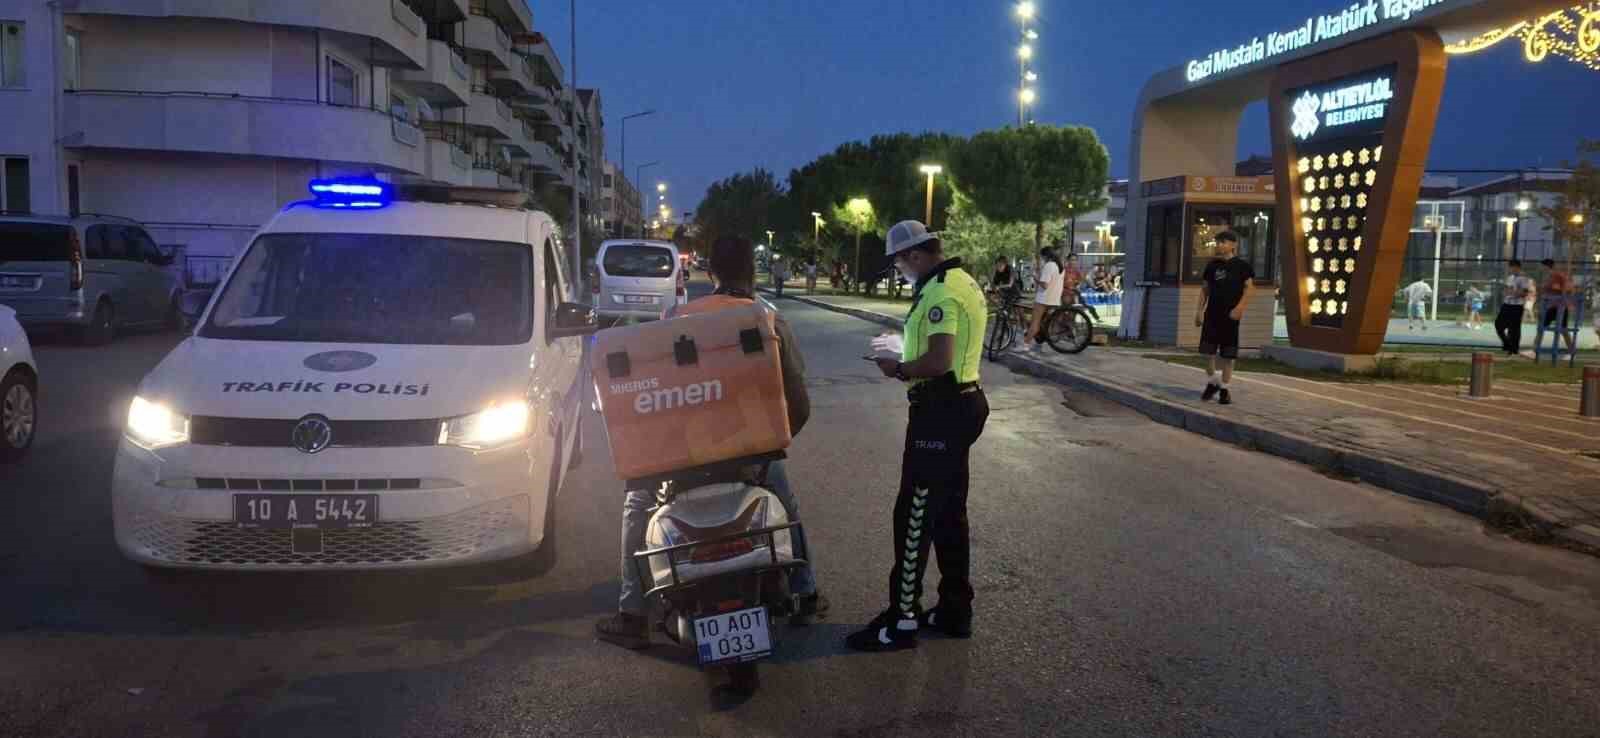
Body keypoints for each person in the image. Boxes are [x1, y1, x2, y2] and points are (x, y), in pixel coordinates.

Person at [595, 236, 828, 649]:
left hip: (683, 457)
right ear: (751, 274)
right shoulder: (770, 319)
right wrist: (771, 440)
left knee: (636, 507)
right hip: (752, 453)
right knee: (787, 507)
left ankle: (632, 612)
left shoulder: (677, 316)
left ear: (712, 273)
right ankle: (806, 593)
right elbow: (799, 402)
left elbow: (660, 398)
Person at [851, 220, 989, 652]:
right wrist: (906, 346)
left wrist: (899, 367)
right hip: (962, 405)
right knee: (949, 513)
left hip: (941, 411)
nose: (898, 270)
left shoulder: (939, 291)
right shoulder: (961, 280)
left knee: (913, 514)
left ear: (914, 255)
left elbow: (941, 359)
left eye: (898, 262)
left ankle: (902, 619)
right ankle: (954, 609)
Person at [1195, 231, 1254, 406]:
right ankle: (1213, 382)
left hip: (1231, 316)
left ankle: (1225, 390)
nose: (1219, 245)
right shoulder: (1212, 266)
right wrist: (1199, 310)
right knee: (1208, 353)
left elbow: (1250, 289)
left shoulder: (1242, 266)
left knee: (1228, 355)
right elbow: (1205, 289)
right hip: (1212, 315)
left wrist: (1240, 307)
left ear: (1233, 245)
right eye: (1217, 242)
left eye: (1223, 242)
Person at [1023, 246, 1064, 351]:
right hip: (1054, 299)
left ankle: (1025, 345)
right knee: (1043, 324)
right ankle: (1038, 345)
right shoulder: (1060, 266)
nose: (1041, 259)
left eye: (1042, 257)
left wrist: (1034, 277)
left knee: (1034, 323)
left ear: (1046, 256)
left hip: (1043, 299)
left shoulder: (1049, 265)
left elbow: (1045, 285)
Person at [1495, 259, 1536, 357]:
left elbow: (1524, 293)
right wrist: (1510, 292)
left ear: (1517, 267)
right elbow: (1506, 290)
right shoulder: (1510, 278)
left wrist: (1513, 293)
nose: (1510, 269)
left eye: (1511, 267)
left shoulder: (1524, 278)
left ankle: (1513, 350)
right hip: (1507, 304)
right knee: (1498, 324)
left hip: (1517, 306)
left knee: (1514, 329)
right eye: (1510, 267)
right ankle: (1507, 344)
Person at [1539, 258, 1577, 353]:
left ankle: (1572, 350)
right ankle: (1534, 349)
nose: (1541, 268)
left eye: (1542, 266)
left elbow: (1565, 290)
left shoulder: (1557, 276)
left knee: (1563, 330)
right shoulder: (1548, 277)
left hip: (1560, 307)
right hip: (1551, 306)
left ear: (1546, 267)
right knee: (1541, 327)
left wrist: (1568, 303)